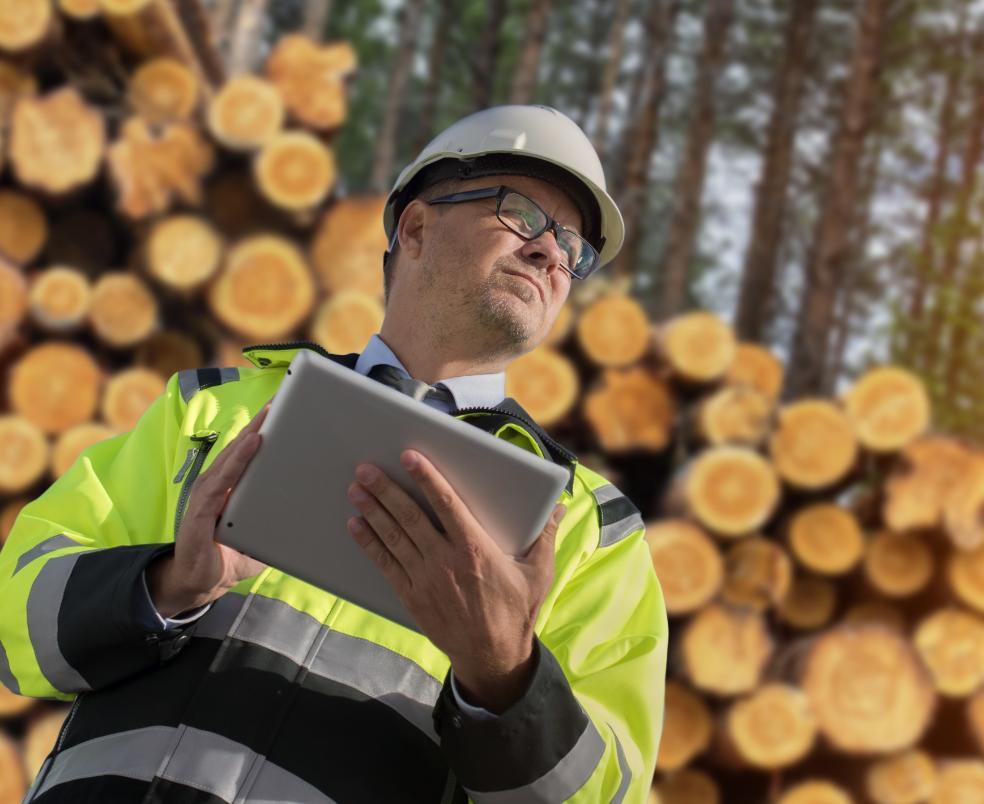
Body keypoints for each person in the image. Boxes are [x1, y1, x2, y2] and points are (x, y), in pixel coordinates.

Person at [0, 105, 667, 803]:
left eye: (572, 247)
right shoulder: (209, 409)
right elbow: (16, 615)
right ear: (415, 227)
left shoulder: (590, 528)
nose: (552, 253)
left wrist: (505, 679)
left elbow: (605, 793)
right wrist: (168, 584)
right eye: (523, 213)